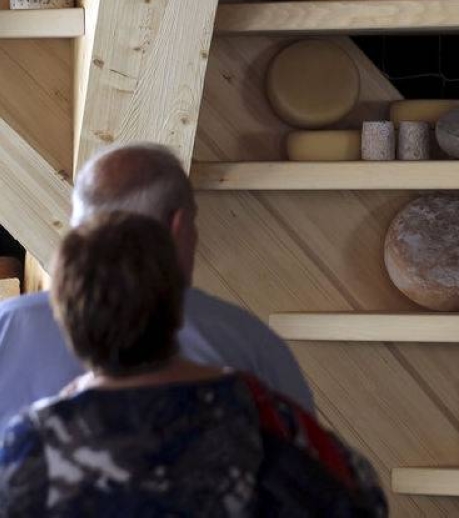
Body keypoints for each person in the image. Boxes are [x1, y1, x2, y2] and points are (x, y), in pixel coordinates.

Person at [0, 212, 385, 516]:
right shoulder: (264, 416)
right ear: (178, 306)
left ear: (66, 320)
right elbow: (361, 502)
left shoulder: (31, 443)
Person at [0, 144, 313, 427]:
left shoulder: (7, 327)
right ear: (178, 227)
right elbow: (312, 475)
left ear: (78, 227)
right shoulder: (249, 343)